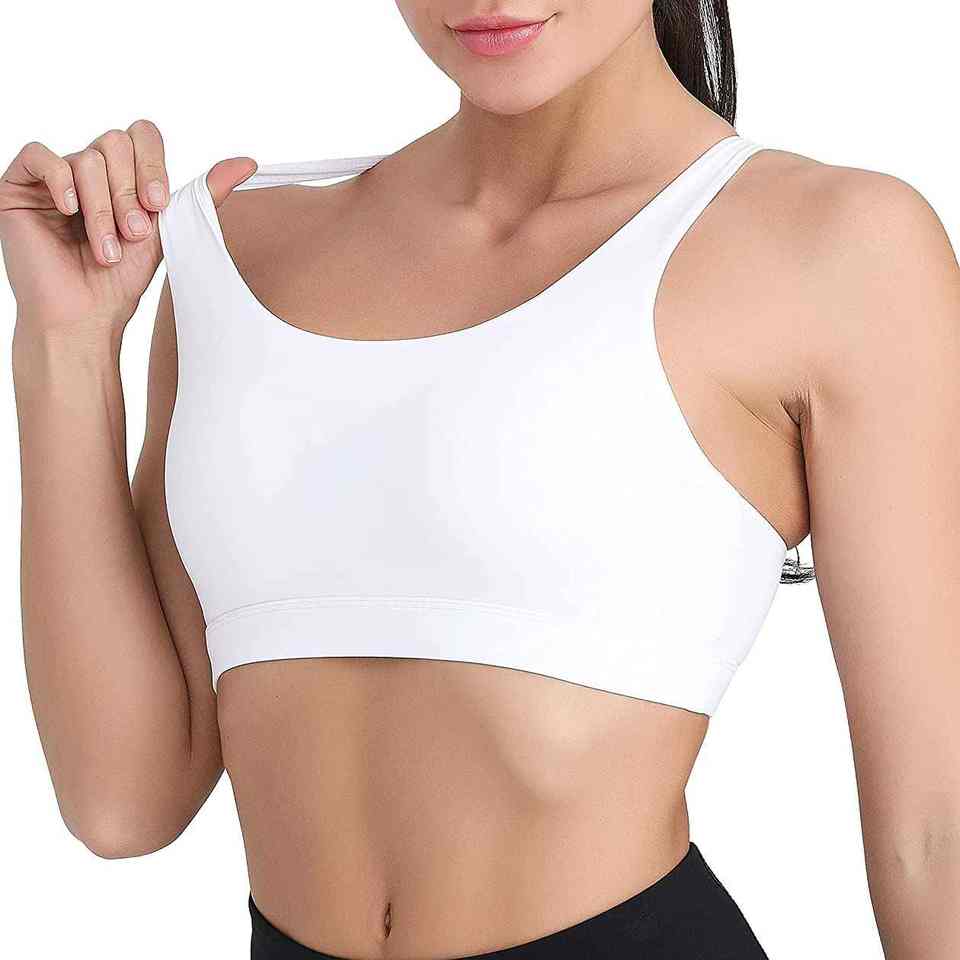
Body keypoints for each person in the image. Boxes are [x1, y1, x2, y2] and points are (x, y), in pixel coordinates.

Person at [3, 3, 958, 958]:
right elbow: (123, 799)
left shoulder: (836, 247)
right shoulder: (244, 248)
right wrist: (66, 346)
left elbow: (933, 837)